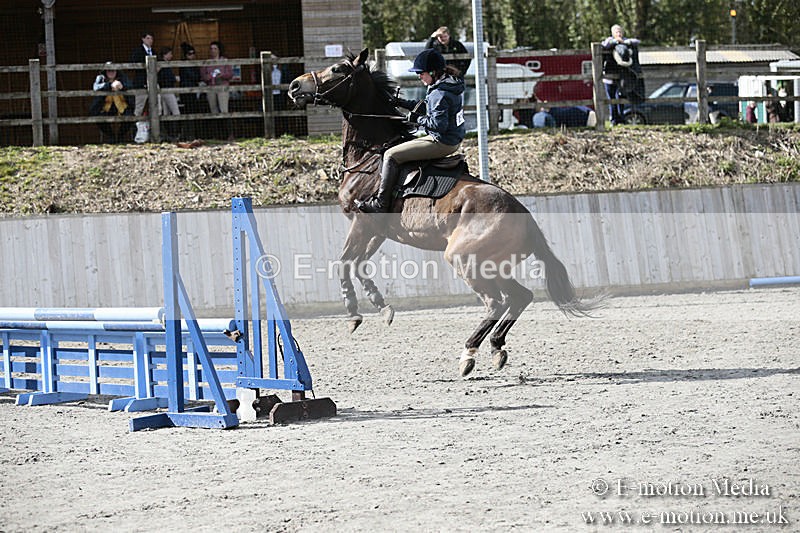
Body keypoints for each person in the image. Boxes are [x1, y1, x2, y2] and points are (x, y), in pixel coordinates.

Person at [356, 49, 465, 214]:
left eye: (421, 73)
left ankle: (380, 205)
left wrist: (416, 119)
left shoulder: (439, 93)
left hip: (442, 142)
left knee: (390, 155)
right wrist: (401, 102)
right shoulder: (446, 84)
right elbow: (427, 106)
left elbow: (438, 125)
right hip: (451, 138)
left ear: (432, 72)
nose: (419, 76)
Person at [601, 24, 641, 125]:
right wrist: (616, 41)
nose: (619, 33)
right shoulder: (609, 40)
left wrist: (625, 42)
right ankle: (613, 120)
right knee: (611, 99)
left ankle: (621, 119)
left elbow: (637, 42)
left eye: (620, 31)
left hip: (621, 76)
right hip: (609, 76)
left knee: (620, 97)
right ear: (612, 33)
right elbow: (605, 45)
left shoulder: (626, 40)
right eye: (616, 32)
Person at [89, 62, 134, 143]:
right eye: (109, 71)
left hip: (121, 106)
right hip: (105, 107)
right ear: (105, 72)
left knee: (130, 118)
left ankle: (120, 137)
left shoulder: (122, 77)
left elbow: (130, 85)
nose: (111, 73)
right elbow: (96, 87)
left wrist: (122, 86)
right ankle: (111, 136)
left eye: (113, 70)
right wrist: (110, 85)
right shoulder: (100, 78)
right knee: (99, 119)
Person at [201, 40, 234, 140]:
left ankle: (229, 134)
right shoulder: (207, 62)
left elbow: (230, 74)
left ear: (219, 50)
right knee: (213, 110)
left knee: (224, 109)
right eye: (211, 49)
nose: (213, 51)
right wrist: (210, 77)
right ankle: (216, 135)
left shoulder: (225, 61)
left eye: (215, 48)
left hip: (222, 86)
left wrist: (222, 75)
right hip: (211, 87)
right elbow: (203, 76)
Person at [179, 42, 203, 140]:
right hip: (187, 92)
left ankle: (192, 134)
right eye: (190, 54)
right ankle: (187, 134)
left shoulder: (193, 65)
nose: (192, 55)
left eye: (193, 53)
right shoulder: (185, 65)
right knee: (188, 112)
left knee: (193, 112)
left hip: (193, 91)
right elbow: (195, 77)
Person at [157, 46, 180, 140]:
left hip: (166, 89)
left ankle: (169, 134)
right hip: (166, 90)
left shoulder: (166, 64)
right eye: (170, 54)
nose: (171, 55)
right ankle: (174, 133)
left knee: (166, 113)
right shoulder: (161, 64)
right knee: (175, 111)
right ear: (165, 55)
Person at [130, 32, 155, 118]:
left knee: (156, 105)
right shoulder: (137, 51)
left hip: (153, 82)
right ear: (143, 39)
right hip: (141, 82)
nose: (150, 40)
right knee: (139, 107)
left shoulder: (153, 51)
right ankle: (135, 125)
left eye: (151, 38)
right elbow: (134, 64)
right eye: (148, 38)